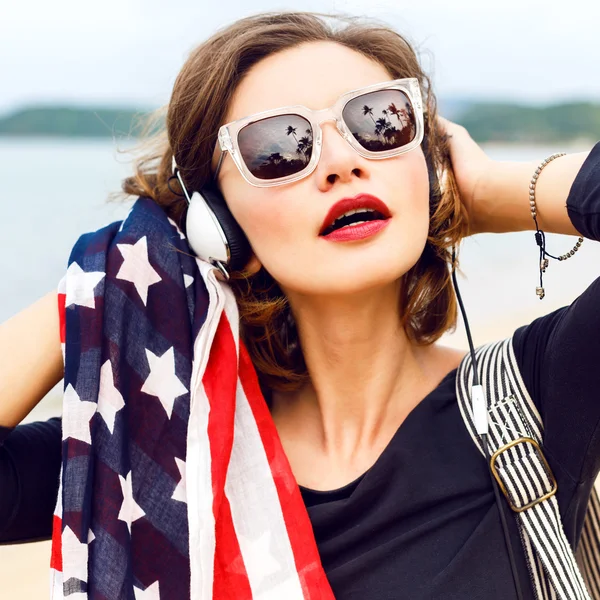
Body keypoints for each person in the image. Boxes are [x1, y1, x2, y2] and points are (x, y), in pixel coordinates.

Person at [1, 11, 599, 600]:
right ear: (221, 224)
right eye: (278, 147)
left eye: (380, 121)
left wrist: (495, 194)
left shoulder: (538, 392)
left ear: (431, 170)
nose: (342, 163)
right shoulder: (162, 453)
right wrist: (109, 283)